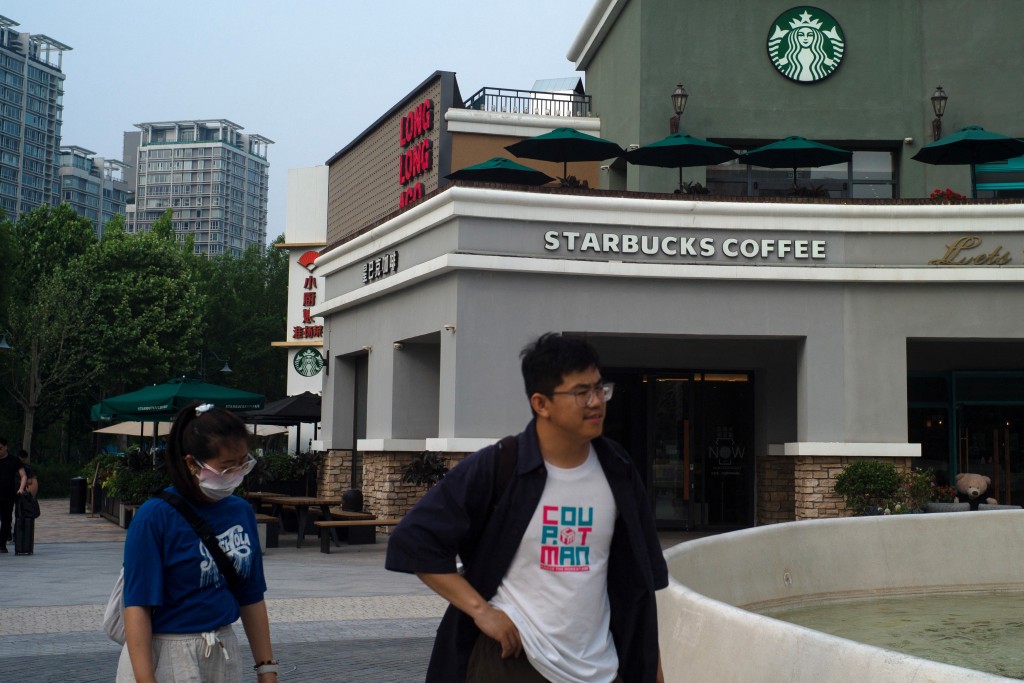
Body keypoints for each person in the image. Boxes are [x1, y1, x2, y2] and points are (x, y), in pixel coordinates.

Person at [386, 333, 669, 682]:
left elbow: (640, 583)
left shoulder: (618, 469)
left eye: (600, 388)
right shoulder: (500, 466)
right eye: (582, 392)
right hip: (514, 662)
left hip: (600, 667)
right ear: (541, 403)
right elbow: (413, 540)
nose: (597, 402)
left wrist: (654, 673)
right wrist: (482, 612)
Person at [116, 402, 278, 683]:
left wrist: (266, 669)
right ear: (192, 463)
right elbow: (138, 606)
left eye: (244, 463)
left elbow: (251, 595)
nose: (237, 474)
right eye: (227, 467)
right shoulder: (154, 517)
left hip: (223, 650)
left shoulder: (240, 512)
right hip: (169, 654)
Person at [0, 437, 28, 553]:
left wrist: (21, 489)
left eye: (0, 448)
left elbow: (23, 475)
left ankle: (2, 544)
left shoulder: (14, 460)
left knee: (6, 519)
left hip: (8, 495)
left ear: (6, 447)